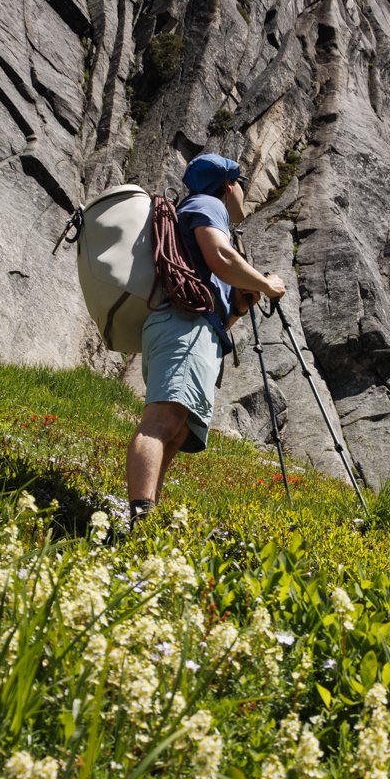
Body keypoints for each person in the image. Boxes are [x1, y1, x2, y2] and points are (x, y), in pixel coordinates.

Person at [124, 153, 288, 529]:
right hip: (183, 325)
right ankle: (139, 517)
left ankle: (146, 517)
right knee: (163, 421)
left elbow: (220, 306)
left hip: (192, 326)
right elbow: (219, 254)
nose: (245, 192)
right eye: (242, 183)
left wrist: (242, 304)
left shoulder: (201, 208)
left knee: (177, 428)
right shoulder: (209, 204)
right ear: (229, 184)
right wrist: (265, 283)